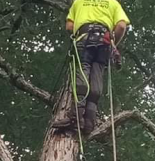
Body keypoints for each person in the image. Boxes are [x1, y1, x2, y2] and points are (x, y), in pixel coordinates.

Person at [52, 0, 130, 135]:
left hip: (85, 37)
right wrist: (113, 45)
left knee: (83, 70)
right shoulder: (113, 3)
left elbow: (69, 27)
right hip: (104, 42)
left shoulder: (78, 2)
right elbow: (121, 26)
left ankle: (75, 116)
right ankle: (89, 122)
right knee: (97, 76)